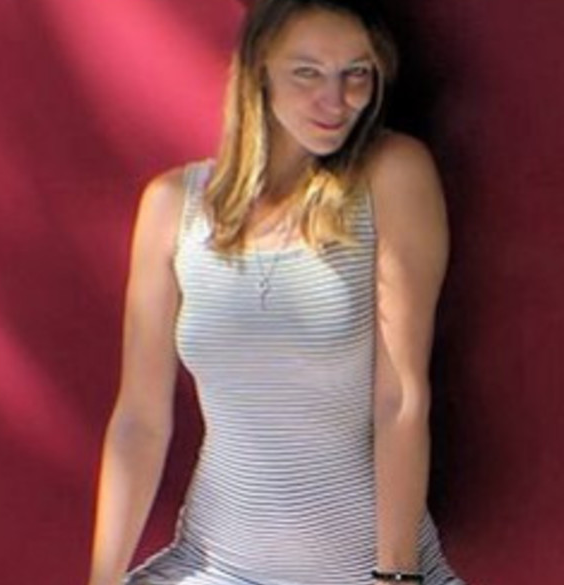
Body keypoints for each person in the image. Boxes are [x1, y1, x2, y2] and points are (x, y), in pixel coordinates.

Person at [87, 0, 465, 583]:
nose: (336, 100)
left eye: (356, 73)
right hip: (218, 567)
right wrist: (101, 579)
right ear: (257, 70)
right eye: (307, 72)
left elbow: (401, 398)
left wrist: (396, 576)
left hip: (368, 572)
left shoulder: (392, 174)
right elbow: (140, 420)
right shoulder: (171, 206)